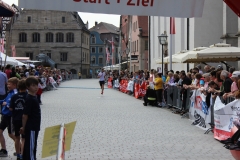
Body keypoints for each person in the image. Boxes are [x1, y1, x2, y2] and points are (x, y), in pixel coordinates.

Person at [20, 77, 41, 160]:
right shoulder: (29, 99)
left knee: (31, 145)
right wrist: (23, 127)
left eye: (36, 85)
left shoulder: (33, 97)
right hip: (31, 126)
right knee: (31, 147)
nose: (36, 87)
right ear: (28, 87)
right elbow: (25, 115)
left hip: (35, 126)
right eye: (33, 85)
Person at [0, 77, 19, 157]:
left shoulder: (15, 93)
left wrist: (6, 105)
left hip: (10, 116)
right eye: (7, 84)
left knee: (11, 134)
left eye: (9, 84)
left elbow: (13, 105)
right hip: (5, 115)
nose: (7, 85)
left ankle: (20, 149)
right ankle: (4, 150)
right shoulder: (10, 92)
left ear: (14, 85)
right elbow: (4, 100)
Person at [9, 80, 27, 160]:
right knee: (24, 138)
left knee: (17, 137)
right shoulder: (28, 96)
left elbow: (11, 108)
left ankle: (18, 154)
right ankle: (23, 154)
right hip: (25, 120)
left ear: (18, 86)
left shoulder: (14, 96)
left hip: (16, 119)